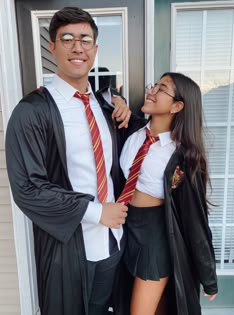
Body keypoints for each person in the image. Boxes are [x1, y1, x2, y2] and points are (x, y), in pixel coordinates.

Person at [5, 6, 142, 315]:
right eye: (67, 39)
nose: (77, 47)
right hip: (69, 250)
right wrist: (96, 212)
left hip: (114, 243)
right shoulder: (32, 112)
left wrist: (127, 113)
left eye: (85, 39)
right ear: (52, 47)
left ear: (94, 49)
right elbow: (27, 188)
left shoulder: (105, 106)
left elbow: (130, 152)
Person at [117, 72, 218, 315]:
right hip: (125, 229)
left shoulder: (183, 158)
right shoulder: (134, 132)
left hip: (155, 238)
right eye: (154, 85)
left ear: (177, 106)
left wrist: (208, 276)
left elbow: (196, 218)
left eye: (162, 88)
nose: (151, 90)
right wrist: (115, 99)